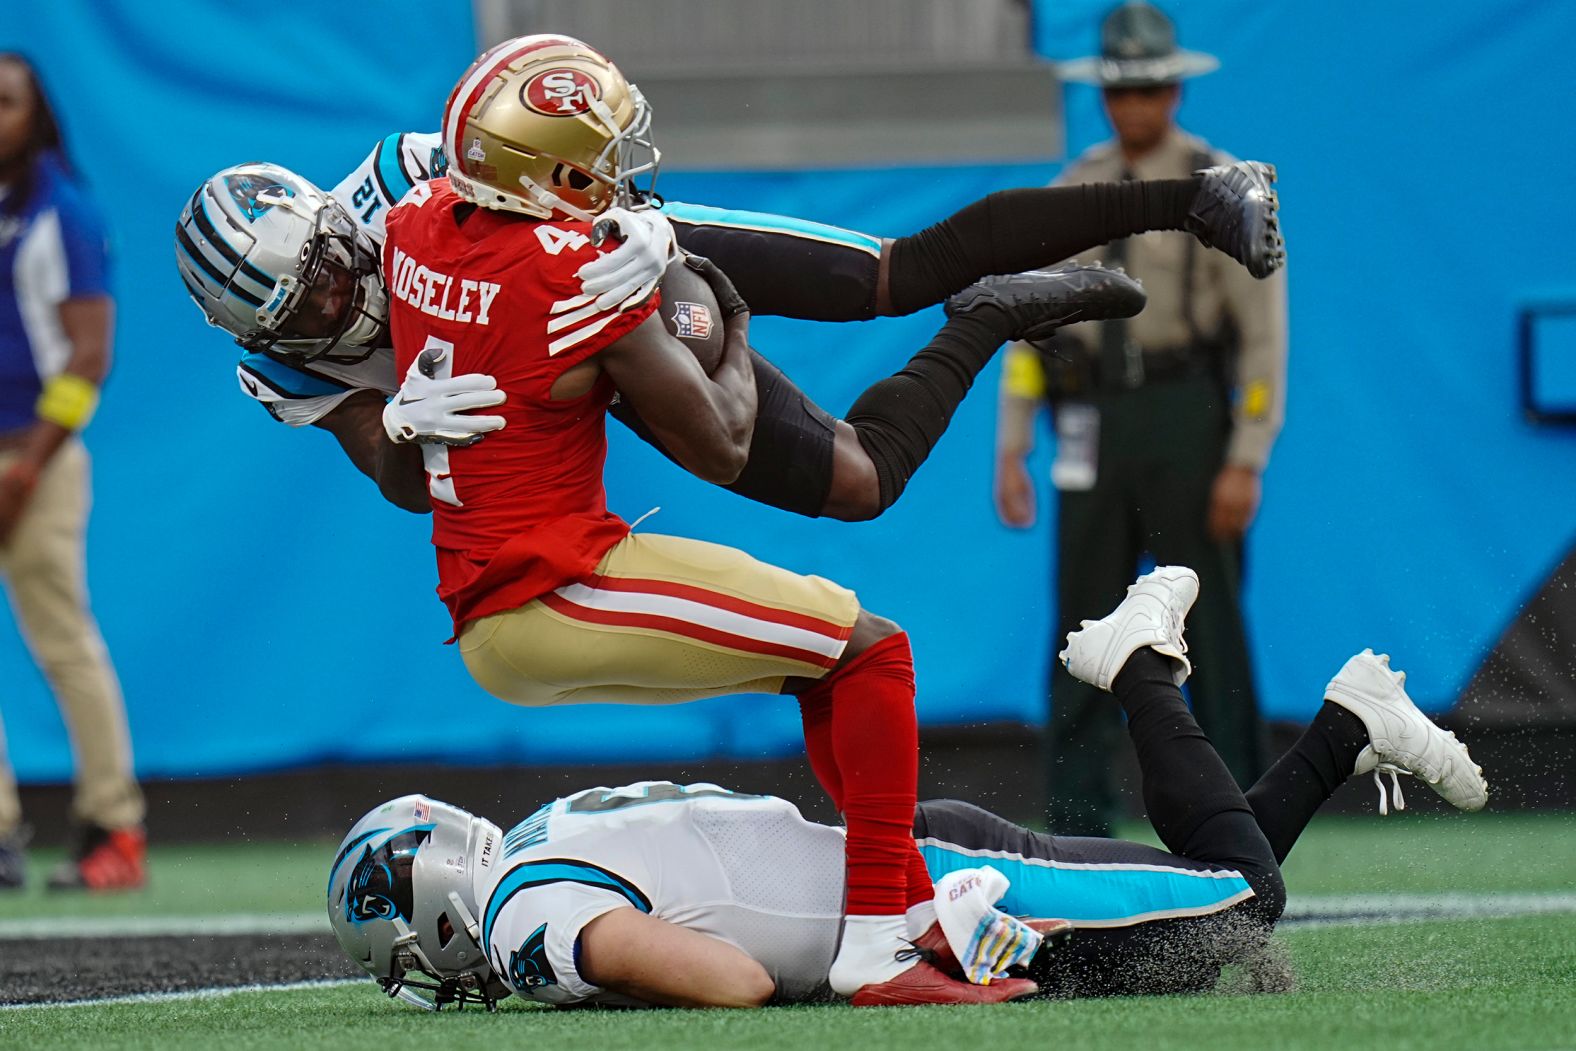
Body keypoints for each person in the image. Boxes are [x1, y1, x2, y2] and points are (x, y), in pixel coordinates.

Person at [325, 566, 1487, 1010]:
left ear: (428, 905)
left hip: (938, 895)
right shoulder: (542, 834)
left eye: (406, 948)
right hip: (912, 886)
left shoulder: (529, 912)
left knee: (1241, 902)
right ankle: (1347, 726)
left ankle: (1136, 662)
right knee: (1199, 939)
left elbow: (727, 980)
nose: (425, 968)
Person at [174, 90, 1281, 522]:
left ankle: (1196, 196)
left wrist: (640, 224)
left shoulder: (398, 177)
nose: (331, 305)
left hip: (612, 260)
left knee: (888, 275)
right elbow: (405, 485)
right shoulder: (286, 373)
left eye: (324, 269)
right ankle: (989, 319)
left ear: (332, 222)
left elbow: (555, 169)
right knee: (858, 487)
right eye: (298, 312)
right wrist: (405, 436)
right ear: (256, 335)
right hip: (559, 374)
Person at [994, 1, 1290, 836]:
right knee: (1085, 617)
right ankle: (1079, 814)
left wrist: (1246, 453)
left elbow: (1264, 337)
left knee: (1211, 617)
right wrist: (1014, 443)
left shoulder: (1220, 185)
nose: (1134, 107)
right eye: (1120, 91)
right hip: (1090, 412)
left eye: (1150, 89)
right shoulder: (1075, 186)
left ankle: (1238, 807)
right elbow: (1029, 321)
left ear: (1174, 92)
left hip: (1184, 413)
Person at [0, 53, 144, 891]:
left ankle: (112, 830)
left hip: (38, 456)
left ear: (38, 116)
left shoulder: (65, 211)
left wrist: (27, 466)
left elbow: (88, 357)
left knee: (62, 639)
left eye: (6, 101)